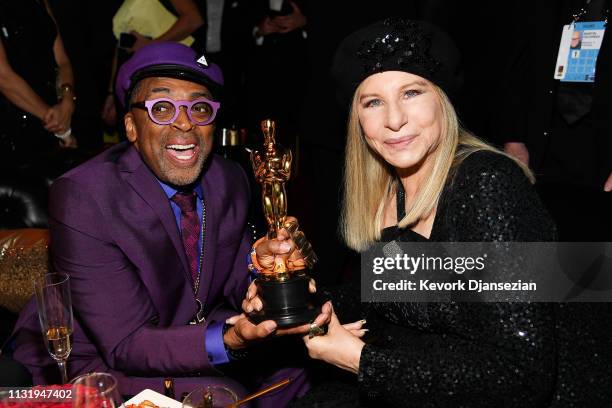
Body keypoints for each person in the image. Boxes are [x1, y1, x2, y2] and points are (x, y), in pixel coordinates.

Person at [244, 18, 612, 406]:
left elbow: (521, 376)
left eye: (412, 93)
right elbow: (383, 293)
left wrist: (359, 360)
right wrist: (289, 291)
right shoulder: (392, 192)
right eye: (373, 102)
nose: (394, 119)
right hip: (434, 379)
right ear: (357, 121)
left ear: (443, 100)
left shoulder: (486, 184)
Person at [9, 42, 331, 404]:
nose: (184, 122)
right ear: (130, 126)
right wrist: (228, 340)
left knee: (304, 366)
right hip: (95, 363)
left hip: (191, 334)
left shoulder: (229, 179)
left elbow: (236, 275)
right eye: (161, 108)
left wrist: (267, 271)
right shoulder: (85, 197)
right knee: (223, 397)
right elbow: (125, 343)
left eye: (199, 107)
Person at [0, 0, 78, 169]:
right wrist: (57, 124)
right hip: (12, 126)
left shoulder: (40, 2)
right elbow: (3, 77)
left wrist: (67, 99)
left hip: (50, 119)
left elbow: (62, 61)